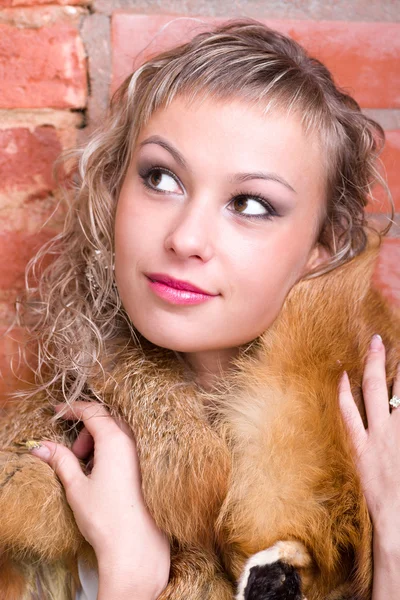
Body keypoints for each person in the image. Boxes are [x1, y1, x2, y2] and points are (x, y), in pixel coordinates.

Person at [7, 19, 399, 599]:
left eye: (251, 203)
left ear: (321, 248)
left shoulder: (383, 435)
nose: (186, 238)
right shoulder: (48, 476)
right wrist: (129, 579)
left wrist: (391, 543)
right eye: (161, 177)